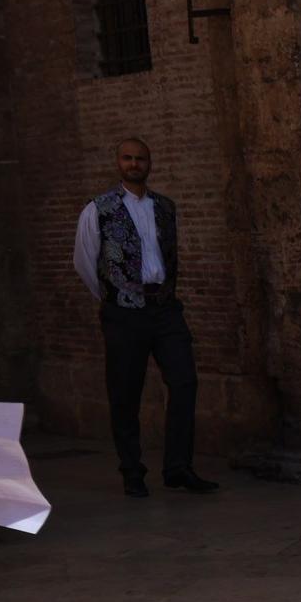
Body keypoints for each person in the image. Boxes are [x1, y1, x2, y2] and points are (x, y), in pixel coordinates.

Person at [72, 137, 216, 498]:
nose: (134, 164)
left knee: (184, 381)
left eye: (140, 159)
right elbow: (84, 262)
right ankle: (132, 471)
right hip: (123, 313)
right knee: (125, 392)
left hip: (166, 308)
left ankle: (178, 467)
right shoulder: (98, 209)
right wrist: (114, 297)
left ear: (149, 164)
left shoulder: (166, 207)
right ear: (118, 162)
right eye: (128, 158)